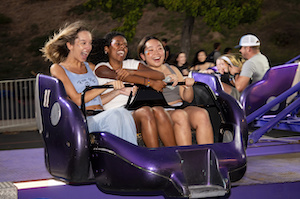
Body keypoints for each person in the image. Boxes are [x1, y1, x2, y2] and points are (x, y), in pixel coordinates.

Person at [40, 21, 137, 145]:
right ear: (70, 45)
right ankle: (125, 157)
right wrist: (107, 86)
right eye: (83, 43)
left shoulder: (90, 67)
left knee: (123, 112)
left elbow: (97, 100)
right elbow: (77, 100)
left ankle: (130, 156)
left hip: (101, 115)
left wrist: (117, 91)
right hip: (83, 121)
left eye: (90, 43)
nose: (88, 47)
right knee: (116, 115)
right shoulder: (58, 68)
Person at [93, 32, 177, 148]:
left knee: (159, 110)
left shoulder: (131, 64)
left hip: (136, 107)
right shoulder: (101, 68)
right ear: (107, 49)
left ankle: (174, 154)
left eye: (125, 45)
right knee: (146, 111)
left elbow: (159, 75)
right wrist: (150, 83)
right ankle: (154, 156)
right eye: (118, 44)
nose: (122, 47)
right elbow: (121, 76)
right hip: (118, 113)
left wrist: (131, 70)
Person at [138, 36, 214, 146]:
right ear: (142, 56)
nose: (157, 53)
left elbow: (187, 98)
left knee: (202, 114)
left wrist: (188, 86)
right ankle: (186, 158)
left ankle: (207, 156)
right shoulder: (140, 71)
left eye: (160, 49)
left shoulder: (172, 69)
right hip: (161, 111)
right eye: (151, 50)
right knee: (180, 115)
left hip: (179, 106)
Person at [223, 34, 270, 100]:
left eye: (241, 48)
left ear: (248, 48)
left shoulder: (250, 63)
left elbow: (239, 87)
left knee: (219, 86)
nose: (240, 50)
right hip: (263, 93)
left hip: (252, 98)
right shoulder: (263, 58)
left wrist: (235, 73)